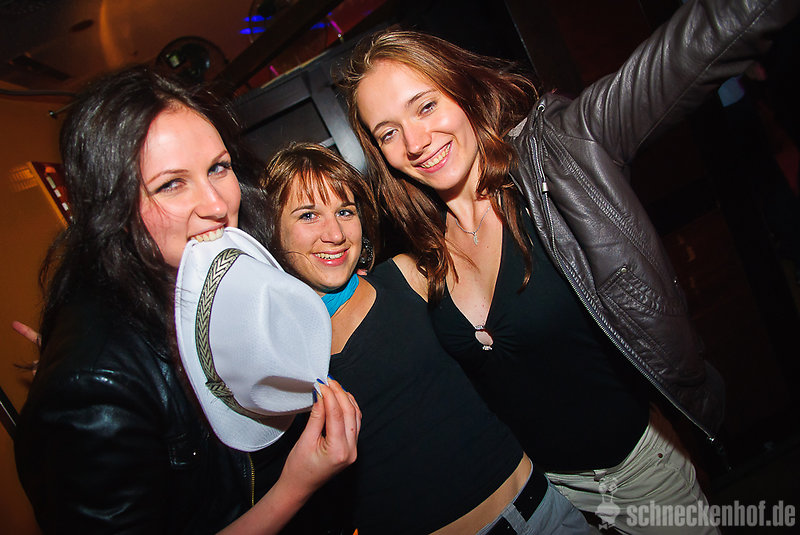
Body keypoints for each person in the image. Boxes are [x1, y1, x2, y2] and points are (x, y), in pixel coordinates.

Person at [338, 0, 800, 533]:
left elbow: (695, 47)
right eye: (388, 132)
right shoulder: (423, 252)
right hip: (549, 500)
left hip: (641, 477)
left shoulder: (561, 155)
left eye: (425, 106)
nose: (415, 143)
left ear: (462, 91)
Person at [13, 66, 360, 534]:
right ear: (112, 206)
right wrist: (296, 487)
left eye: (218, 168)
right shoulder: (92, 383)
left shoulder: (209, 281)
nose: (216, 204)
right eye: (171, 184)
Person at [260, 142, 594, 535]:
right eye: (308, 215)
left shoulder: (406, 275)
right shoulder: (275, 357)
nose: (334, 233)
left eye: (345, 211)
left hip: (543, 514)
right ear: (273, 232)